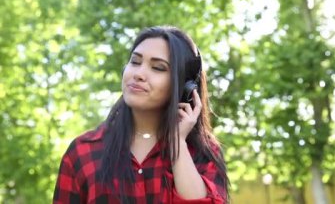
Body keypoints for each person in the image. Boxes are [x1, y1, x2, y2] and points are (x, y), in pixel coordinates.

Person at [53, 26, 229, 203]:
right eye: (135, 62)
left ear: (184, 87)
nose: (139, 74)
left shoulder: (204, 153)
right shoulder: (83, 151)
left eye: (158, 68)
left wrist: (178, 143)